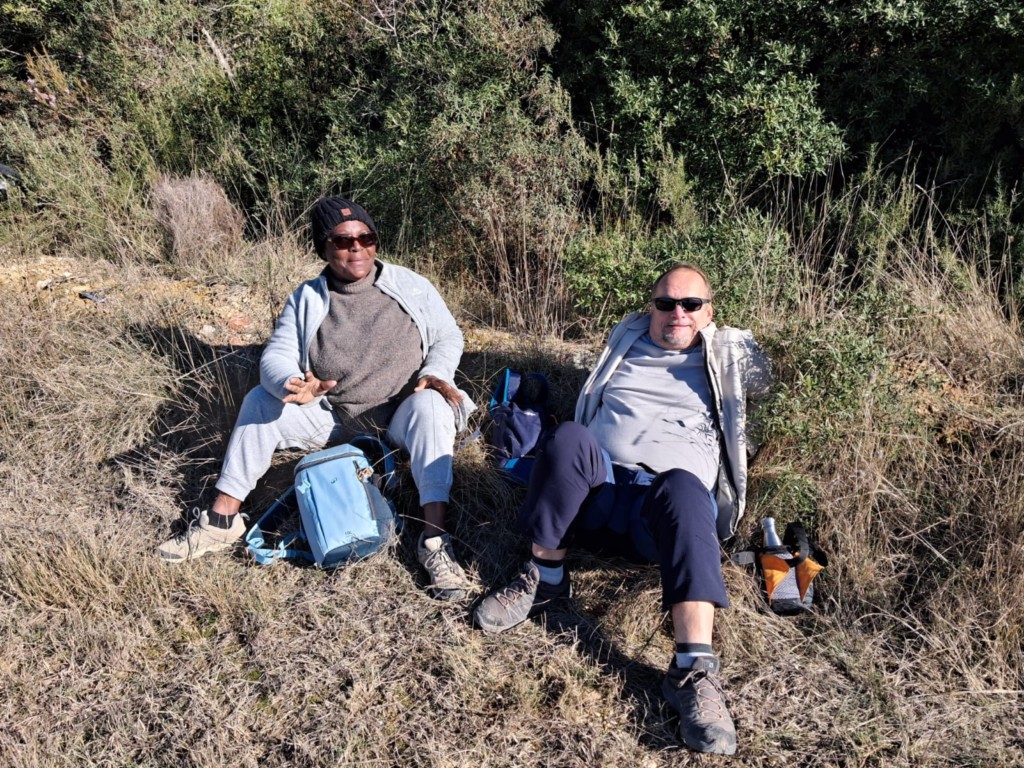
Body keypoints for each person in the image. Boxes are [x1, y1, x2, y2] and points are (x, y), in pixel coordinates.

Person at [473, 263, 773, 755]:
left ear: (709, 311)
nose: (678, 313)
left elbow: (764, 380)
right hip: (599, 492)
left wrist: (732, 342)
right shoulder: (627, 340)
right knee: (568, 437)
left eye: (691, 304)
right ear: (650, 308)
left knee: (685, 485)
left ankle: (693, 669)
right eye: (666, 303)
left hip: (663, 514)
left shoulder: (725, 357)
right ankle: (545, 579)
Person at [158, 196, 476, 600]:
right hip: (332, 415)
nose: (357, 248)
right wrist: (292, 384)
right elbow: (276, 355)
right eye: (342, 241)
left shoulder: (411, 285)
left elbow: (448, 335)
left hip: (401, 413)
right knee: (260, 401)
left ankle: (434, 541)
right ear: (323, 248)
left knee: (431, 404)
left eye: (366, 237)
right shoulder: (307, 298)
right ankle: (222, 521)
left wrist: (436, 373)